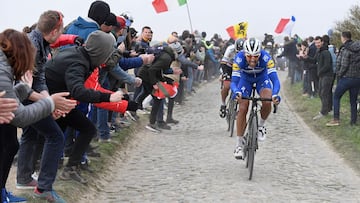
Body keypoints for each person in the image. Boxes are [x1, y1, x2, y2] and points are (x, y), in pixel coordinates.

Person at [45, 30, 137, 184]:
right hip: (52, 102)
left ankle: (61, 172)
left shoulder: (82, 56)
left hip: (59, 101)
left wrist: (125, 101)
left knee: (78, 131)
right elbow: (80, 91)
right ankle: (41, 178)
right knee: (54, 137)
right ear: (101, 52)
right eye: (108, 53)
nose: (109, 57)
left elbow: (91, 90)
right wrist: (111, 97)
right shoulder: (80, 62)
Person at [0, 29, 76, 203]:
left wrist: (25, 89)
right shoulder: (2, 70)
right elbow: (19, 116)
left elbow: (11, 102)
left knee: (10, 144)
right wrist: (50, 103)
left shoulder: (5, 66)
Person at [231, 38, 281, 160]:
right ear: (244, 54)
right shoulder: (239, 59)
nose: (253, 59)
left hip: (261, 78)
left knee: (267, 98)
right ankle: (239, 144)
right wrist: (236, 91)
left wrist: (275, 94)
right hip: (245, 80)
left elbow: (275, 80)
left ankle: (261, 125)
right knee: (243, 107)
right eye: (249, 56)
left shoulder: (266, 58)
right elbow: (234, 82)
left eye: (256, 56)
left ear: (260, 54)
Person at [326, 31, 360, 126]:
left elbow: (344, 64)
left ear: (343, 38)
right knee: (353, 101)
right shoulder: (358, 48)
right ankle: (353, 121)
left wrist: (339, 74)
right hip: (357, 78)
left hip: (346, 78)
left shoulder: (346, 49)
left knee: (336, 96)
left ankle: (336, 119)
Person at [304, 36, 334, 120]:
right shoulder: (318, 51)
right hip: (321, 75)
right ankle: (328, 109)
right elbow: (314, 60)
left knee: (324, 93)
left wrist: (320, 71)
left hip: (327, 75)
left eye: (318, 43)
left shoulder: (325, 52)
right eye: (316, 43)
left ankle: (324, 112)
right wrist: (306, 58)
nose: (317, 44)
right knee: (321, 93)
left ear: (322, 42)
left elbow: (327, 65)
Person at [219, 38, 244, 118]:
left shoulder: (246, 51)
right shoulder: (230, 49)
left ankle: (239, 107)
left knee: (242, 88)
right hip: (229, 68)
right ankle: (223, 104)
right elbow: (223, 62)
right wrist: (225, 74)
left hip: (240, 69)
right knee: (226, 86)